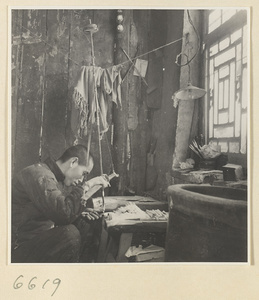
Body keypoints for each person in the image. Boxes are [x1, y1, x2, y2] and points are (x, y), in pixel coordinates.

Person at [11, 144, 110, 263]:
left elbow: (56, 210)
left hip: (34, 241)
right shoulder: (41, 175)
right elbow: (64, 214)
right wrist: (87, 185)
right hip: (17, 249)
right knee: (70, 235)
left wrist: (78, 213)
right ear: (73, 162)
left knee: (82, 223)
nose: (82, 180)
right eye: (84, 173)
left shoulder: (50, 176)